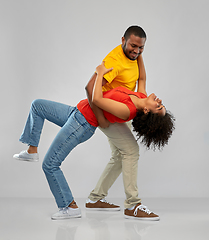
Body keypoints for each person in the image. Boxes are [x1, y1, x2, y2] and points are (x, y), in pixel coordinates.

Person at [13, 62, 174, 220]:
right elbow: (142, 78)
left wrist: (100, 73)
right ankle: (31, 150)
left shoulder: (128, 111)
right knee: (37, 106)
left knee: (50, 164)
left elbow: (96, 99)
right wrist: (139, 54)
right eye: (162, 104)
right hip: (76, 111)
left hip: (81, 124)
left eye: (158, 107)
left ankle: (69, 206)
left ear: (147, 111)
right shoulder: (141, 96)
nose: (160, 102)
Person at [85, 25, 173, 220]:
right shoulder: (118, 62)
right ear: (123, 40)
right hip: (108, 111)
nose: (136, 50)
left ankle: (96, 198)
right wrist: (99, 116)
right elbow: (91, 87)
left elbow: (141, 78)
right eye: (133, 45)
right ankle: (132, 204)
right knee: (130, 151)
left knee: (120, 154)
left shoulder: (136, 101)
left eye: (141, 48)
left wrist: (136, 52)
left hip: (114, 111)